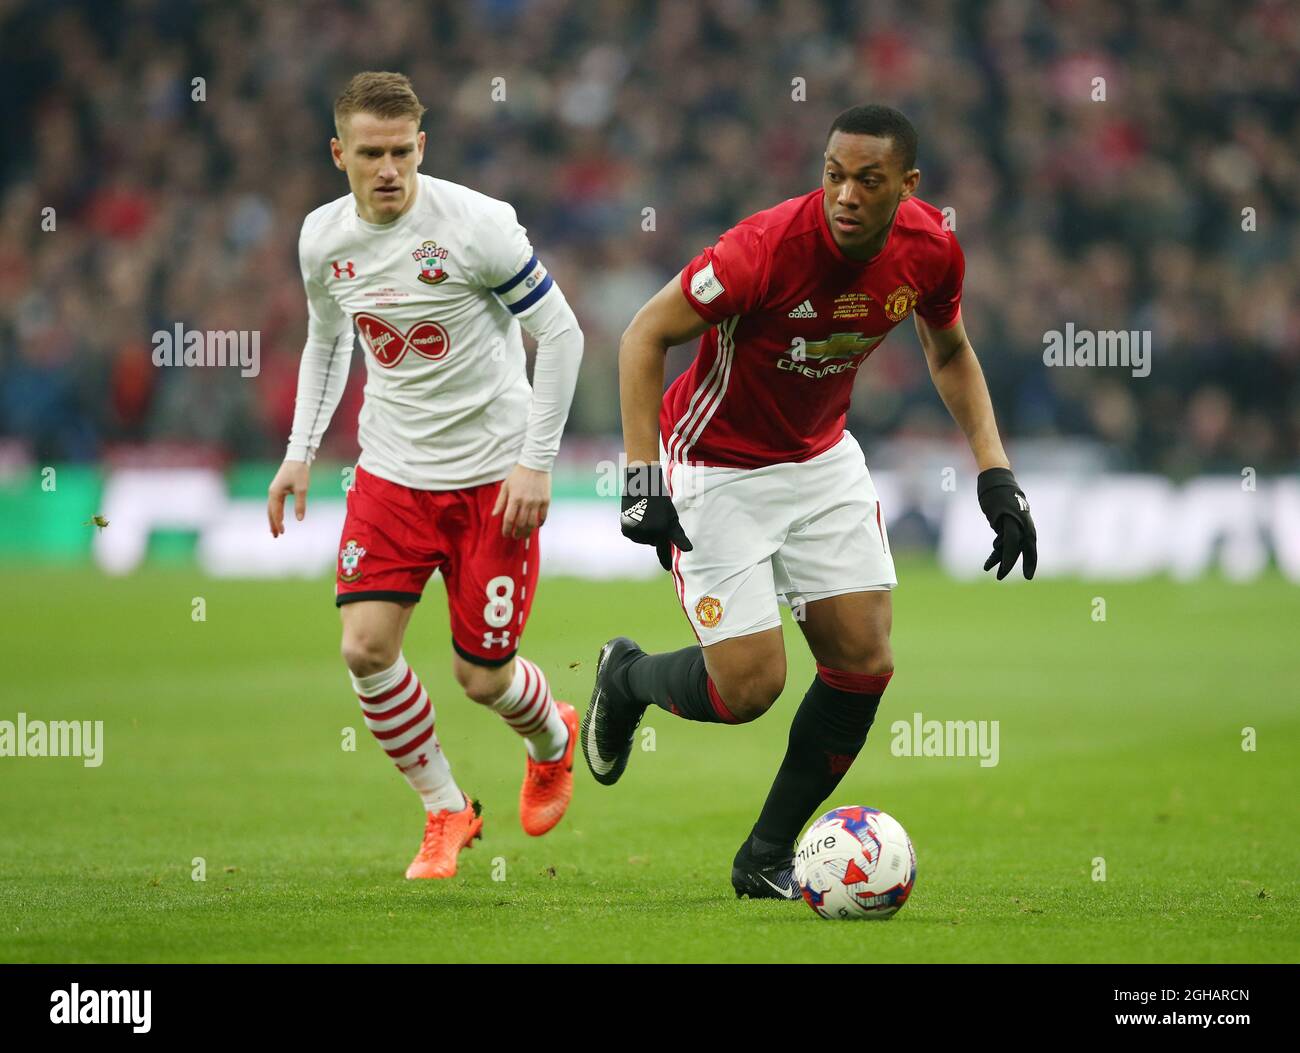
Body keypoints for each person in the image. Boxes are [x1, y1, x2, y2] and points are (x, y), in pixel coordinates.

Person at [583, 104, 1036, 899]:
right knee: (749, 688)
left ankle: (764, 854)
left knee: (864, 658)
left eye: (868, 180)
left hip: (822, 459)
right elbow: (642, 335)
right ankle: (626, 678)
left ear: (908, 185)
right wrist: (642, 477)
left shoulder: (930, 248)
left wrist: (995, 472)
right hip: (712, 463)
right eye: (834, 176)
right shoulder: (765, 249)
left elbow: (952, 349)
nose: (846, 195)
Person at [267, 72, 584, 879]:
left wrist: (535, 461)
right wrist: (300, 449)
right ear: (339, 153)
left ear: (422, 147)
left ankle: (552, 737)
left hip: (492, 479)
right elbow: (329, 339)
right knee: (364, 648)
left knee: (482, 676)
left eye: (402, 151)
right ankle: (445, 807)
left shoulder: (477, 226)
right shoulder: (322, 239)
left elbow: (564, 333)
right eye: (370, 153)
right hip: (393, 474)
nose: (387, 169)